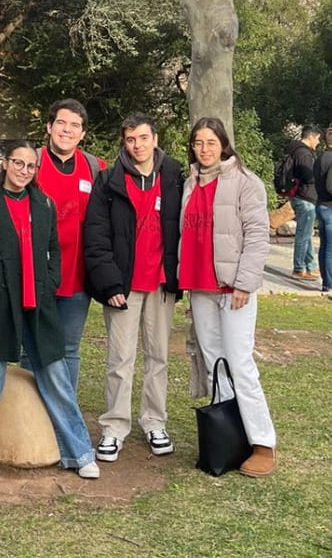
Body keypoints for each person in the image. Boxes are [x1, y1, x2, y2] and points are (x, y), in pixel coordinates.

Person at [0, 141, 99, 486]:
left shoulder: (43, 204)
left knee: (57, 379)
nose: (24, 171)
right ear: (5, 164)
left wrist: (50, 282)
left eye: (31, 166)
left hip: (38, 305)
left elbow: (52, 249)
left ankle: (79, 453)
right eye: (18, 163)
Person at [180, 117, 276, 477]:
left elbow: (256, 236)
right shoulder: (191, 183)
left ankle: (263, 442)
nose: (204, 150)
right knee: (214, 362)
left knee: (240, 363)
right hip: (200, 287)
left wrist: (244, 284)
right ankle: (230, 437)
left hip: (233, 289)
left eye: (210, 142)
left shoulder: (246, 183)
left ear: (223, 144)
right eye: (198, 143)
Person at [84, 113, 183, 462]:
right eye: (130, 139)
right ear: (123, 143)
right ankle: (114, 427)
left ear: (154, 138)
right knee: (120, 359)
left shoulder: (174, 175)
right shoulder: (109, 181)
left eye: (143, 137)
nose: (137, 145)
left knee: (159, 357)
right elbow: (95, 237)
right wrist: (109, 282)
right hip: (123, 287)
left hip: (161, 284)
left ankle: (155, 421)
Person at [35, 99, 106, 390]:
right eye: (61, 123)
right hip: (36, 276)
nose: (67, 130)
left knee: (69, 350)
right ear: (49, 127)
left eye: (75, 125)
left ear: (83, 133)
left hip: (77, 277)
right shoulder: (30, 162)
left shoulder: (95, 168)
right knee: (33, 349)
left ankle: (65, 418)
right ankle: (32, 420)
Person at [289, 124, 322, 280]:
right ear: (311, 137)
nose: (318, 142)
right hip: (306, 197)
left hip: (298, 196)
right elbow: (309, 177)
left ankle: (311, 266)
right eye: (317, 139)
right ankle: (298, 267)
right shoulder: (305, 154)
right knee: (303, 234)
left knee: (307, 233)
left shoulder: (294, 150)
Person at [314, 127, 332, 293]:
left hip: (320, 204)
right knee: (330, 248)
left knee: (325, 246)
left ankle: (326, 282)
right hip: (330, 206)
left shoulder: (320, 158)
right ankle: (329, 283)